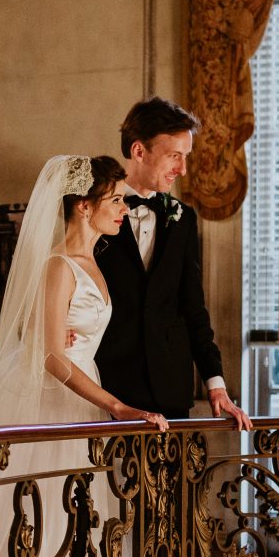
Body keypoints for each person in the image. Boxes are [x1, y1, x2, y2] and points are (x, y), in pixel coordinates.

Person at [0, 154, 166, 557]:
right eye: (116, 200)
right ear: (84, 205)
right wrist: (117, 406)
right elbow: (53, 356)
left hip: (80, 403)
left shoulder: (95, 260)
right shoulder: (58, 265)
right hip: (49, 402)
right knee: (37, 519)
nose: (124, 209)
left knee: (76, 518)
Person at [94, 98, 253, 429]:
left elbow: (193, 307)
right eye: (174, 156)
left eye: (186, 157)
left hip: (172, 391)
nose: (182, 169)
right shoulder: (92, 208)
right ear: (139, 152)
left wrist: (215, 384)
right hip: (107, 389)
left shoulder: (183, 218)